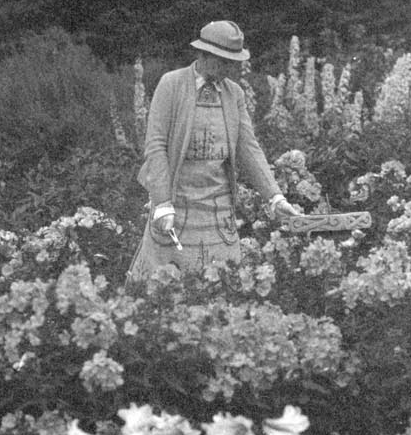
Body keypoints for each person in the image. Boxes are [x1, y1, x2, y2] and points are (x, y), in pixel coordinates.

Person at [127, 20, 301, 281]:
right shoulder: (171, 84)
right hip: (175, 206)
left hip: (218, 212)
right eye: (224, 62)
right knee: (166, 288)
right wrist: (162, 202)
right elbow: (156, 145)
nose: (229, 69)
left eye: (233, 63)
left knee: (224, 285)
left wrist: (275, 197)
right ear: (203, 55)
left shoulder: (234, 94)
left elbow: (248, 147)